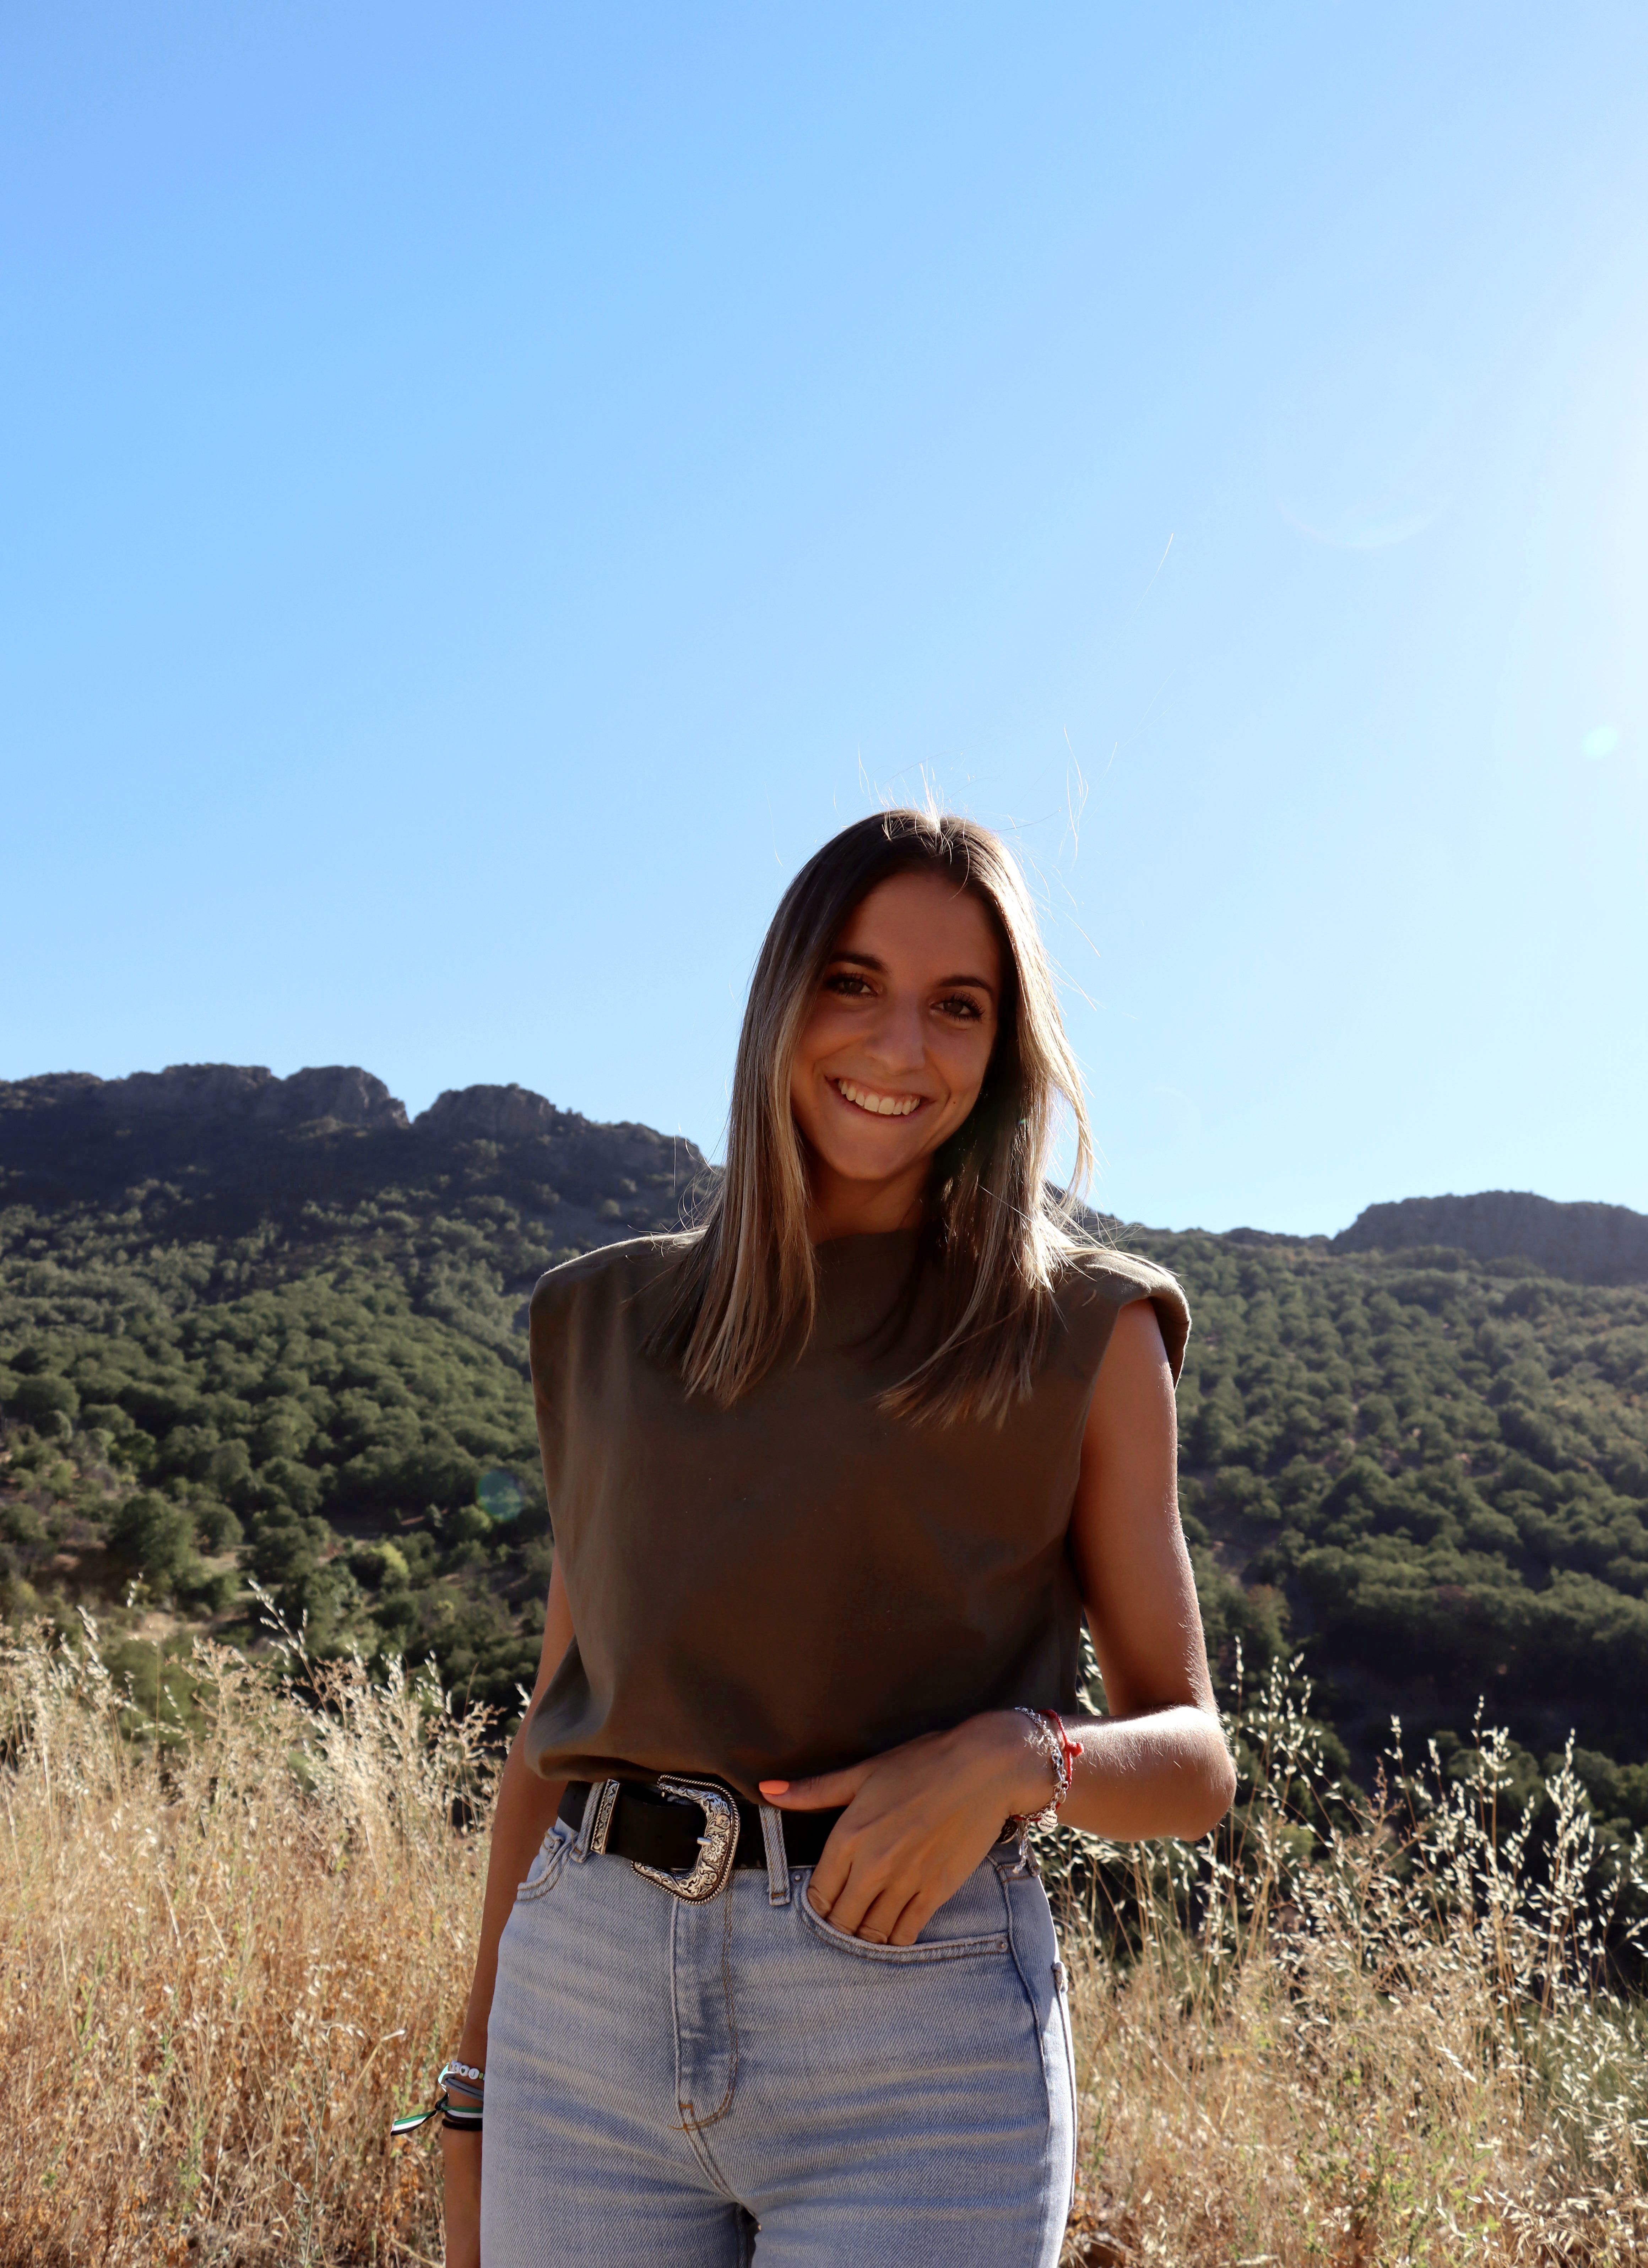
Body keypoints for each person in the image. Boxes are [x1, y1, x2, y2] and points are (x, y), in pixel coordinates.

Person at [437, 808, 1235, 2267]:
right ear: (781, 998)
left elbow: (1192, 1763)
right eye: (853, 982)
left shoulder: (1081, 1330)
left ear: (1004, 1049)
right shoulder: (604, 1320)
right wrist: (474, 2081)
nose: (898, 1047)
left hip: (916, 2037)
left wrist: (1025, 1757)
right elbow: (556, 1725)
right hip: (582, 2009)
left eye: (958, 1005)